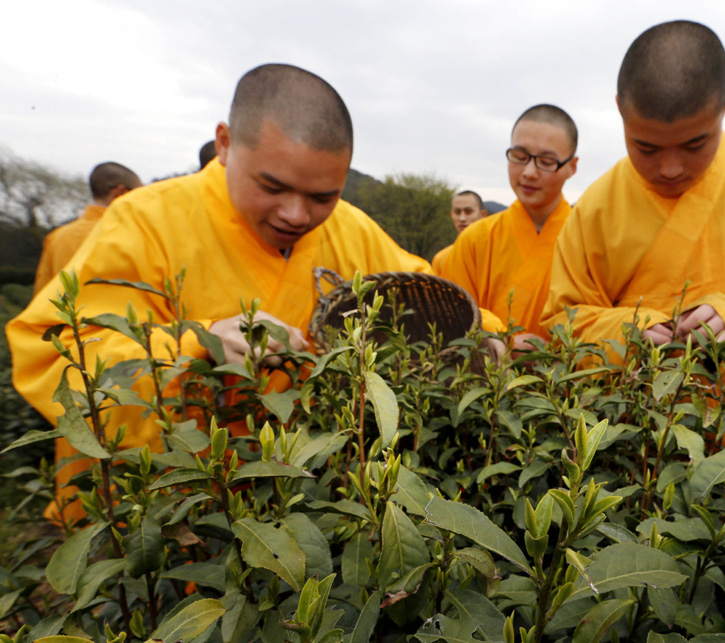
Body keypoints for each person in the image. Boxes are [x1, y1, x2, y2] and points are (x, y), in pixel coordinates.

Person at [7, 64, 432, 521]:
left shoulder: (352, 228)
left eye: (322, 197)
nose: (296, 214)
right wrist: (201, 344)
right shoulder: (145, 219)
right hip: (158, 517)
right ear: (225, 143)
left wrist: (489, 335)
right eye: (272, 186)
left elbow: (423, 294)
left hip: (300, 508)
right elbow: (53, 353)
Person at [542, 20, 725, 406]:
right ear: (619, 109)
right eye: (645, 148)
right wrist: (627, 334)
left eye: (695, 144)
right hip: (633, 447)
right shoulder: (596, 207)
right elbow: (563, 324)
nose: (670, 168)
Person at [442, 105, 578, 350]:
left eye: (546, 162)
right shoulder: (475, 239)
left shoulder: (588, 240)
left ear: (572, 166)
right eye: (519, 157)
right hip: (484, 382)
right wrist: (502, 338)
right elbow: (452, 314)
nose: (528, 172)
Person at [32, 162, 142, 294]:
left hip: (66, 314)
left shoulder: (56, 237)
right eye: (140, 194)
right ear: (121, 192)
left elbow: (41, 295)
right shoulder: (134, 234)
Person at [431, 191, 488, 277]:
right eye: (457, 212)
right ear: (451, 215)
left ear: (483, 215)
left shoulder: (493, 253)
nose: (462, 218)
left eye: (468, 212)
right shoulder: (441, 259)